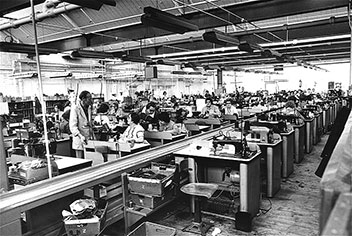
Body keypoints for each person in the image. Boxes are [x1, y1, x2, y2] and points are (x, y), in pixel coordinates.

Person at [69, 90, 95, 158]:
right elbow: (73, 126)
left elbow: (88, 122)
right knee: (81, 161)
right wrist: (80, 136)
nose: (91, 100)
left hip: (88, 137)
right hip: (79, 138)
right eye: (89, 98)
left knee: (90, 158)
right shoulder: (75, 108)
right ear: (83, 99)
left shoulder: (89, 108)